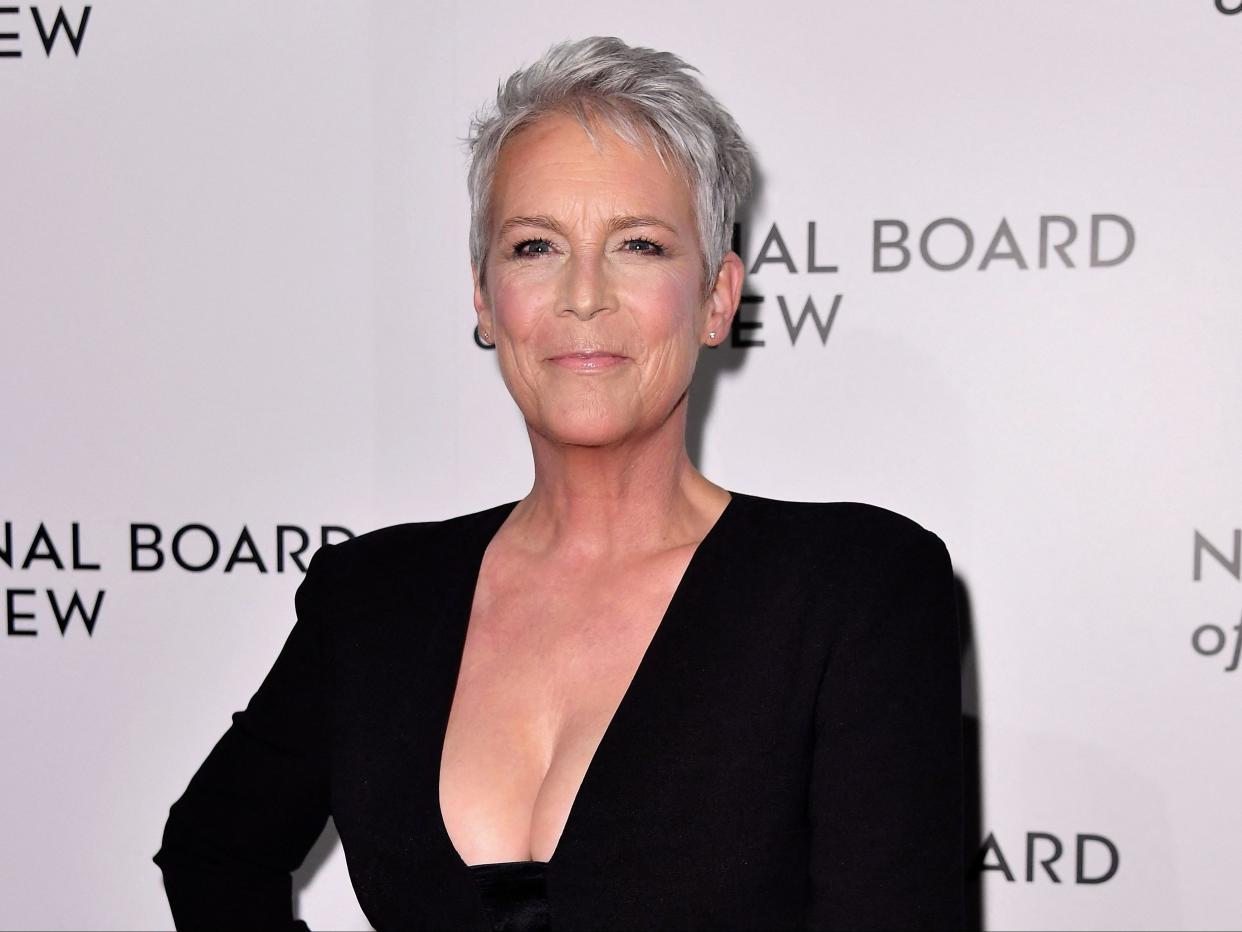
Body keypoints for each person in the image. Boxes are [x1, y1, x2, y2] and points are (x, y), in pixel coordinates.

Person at [153, 36, 963, 931]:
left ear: (717, 298)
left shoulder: (853, 589)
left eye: (640, 245)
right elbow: (213, 850)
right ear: (484, 297)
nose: (583, 294)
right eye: (536, 245)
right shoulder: (372, 599)